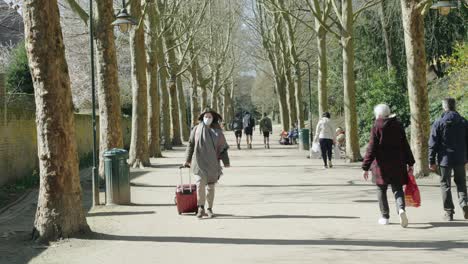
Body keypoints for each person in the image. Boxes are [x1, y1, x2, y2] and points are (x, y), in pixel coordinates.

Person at [362, 104, 415, 228]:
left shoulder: (376, 126)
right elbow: (405, 145)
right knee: (397, 189)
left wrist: (365, 166)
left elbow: (372, 147)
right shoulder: (398, 124)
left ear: (378, 115)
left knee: (381, 189)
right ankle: (401, 209)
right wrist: (410, 162)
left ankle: (385, 216)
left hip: (381, 165)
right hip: (398, 164)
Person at [184, 108, 230, 218]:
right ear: (202, 118)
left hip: (213, 163)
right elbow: (190, 144)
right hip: (198, 162)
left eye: (210, 117)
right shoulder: (196, 129)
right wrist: (187, 160)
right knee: (200, 184)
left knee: (210, 187)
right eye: (206, 116)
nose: (207, 118)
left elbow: (223, 148)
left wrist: (226, 162)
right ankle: (200, 207)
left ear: (213, 118)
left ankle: (209, 208)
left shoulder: (218, 132)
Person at [429, 98, 468, 221]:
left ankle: (449, 212)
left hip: (444, 159)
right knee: (461, 183)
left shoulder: (439, 122)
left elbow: (433, 143)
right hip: (460, 158)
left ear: (444, 107)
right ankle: (464, 204)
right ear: (454, 106)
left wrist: (431, 161)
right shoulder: (463, 122)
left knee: (445, 184)